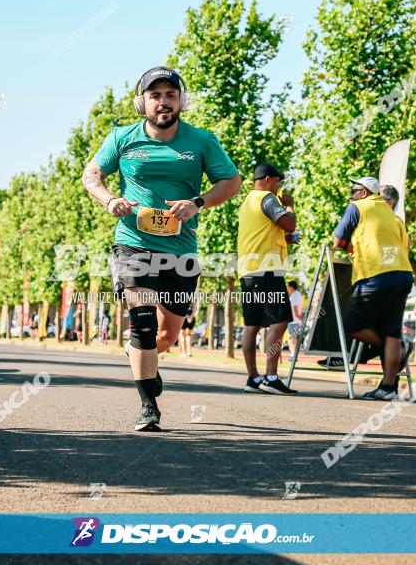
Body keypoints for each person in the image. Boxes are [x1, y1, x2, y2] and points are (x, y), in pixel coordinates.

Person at [82, 65, 241, 431]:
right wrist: (109, 200)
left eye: (170, 95)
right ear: (143, 102)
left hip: (181, 252)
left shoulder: (201, 141)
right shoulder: (122, 137)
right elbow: (91, 175)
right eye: (155, 96)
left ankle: (146, 360)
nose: (163, 102)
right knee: (140, 321)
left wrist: (197, 203)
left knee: (166, 335)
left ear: (180, 101)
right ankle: (148, 405)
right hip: (132, 244)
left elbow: (231, 182)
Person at [333, 176, 414, 400]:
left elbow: (337, 242)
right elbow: (407, 245)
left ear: (365, 192)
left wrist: (352, 246)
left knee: (351, 325)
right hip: (403, 275)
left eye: (355, 189)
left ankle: (397, 352)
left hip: (375, 275)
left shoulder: (357, 207)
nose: (352, 192)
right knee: (391, 332)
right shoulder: (392, 214)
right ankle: (388, 387)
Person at [238, 162, 298, 395]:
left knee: (251, 325)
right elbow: (289, 223)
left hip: (248, 270)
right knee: (280, 320)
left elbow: (264, 230)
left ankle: (253, 379)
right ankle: (271, 377)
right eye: (277, 182)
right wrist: (290, 206)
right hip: (267, 269)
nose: (278, 188)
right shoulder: (268, 198)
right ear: (267, 179)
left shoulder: (248, 201)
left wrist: (285, 239)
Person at [287, 280, 303, 362]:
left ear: (291, 287)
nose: (287, 288)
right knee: (293, 338)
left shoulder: (294, 295)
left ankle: (293, 355)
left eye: (288, 286)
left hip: (293, 320)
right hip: (295, 320)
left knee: (292, 338)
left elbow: (295, 307)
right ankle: (293, 355)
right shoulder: (297, 294)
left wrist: (298, 317)